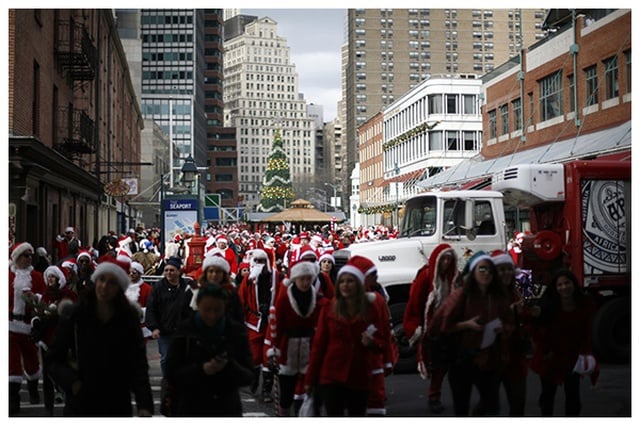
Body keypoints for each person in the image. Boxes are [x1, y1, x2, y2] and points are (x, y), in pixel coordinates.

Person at [45, 259, 154, 416]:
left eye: (112, 283)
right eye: (102, 280)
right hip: (81, 400)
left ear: (119, 288)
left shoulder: (128, 318)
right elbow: (53, 359)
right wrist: (72, 381)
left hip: (116, 401)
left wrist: (144, 404)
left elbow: (138, 363)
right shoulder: (75, 314)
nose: (104, 287)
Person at [431, 251, 514, 416]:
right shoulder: (460, 295)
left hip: (488, 358)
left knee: (491, 405)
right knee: (462, 406)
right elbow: (442, 326)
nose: (486, 274)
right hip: (462, 359)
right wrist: (466, 325)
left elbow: (509, 322)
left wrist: (502, 329)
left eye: (490, 270)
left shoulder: (498, 296)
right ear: (474, 271)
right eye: (482, 269)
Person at [304, 263, 389, 416]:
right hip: (331, 375)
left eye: (350, 281)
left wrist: (373, 343)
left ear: (358, 283)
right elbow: (319, 345)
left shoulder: (370, 308)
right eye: (342, 281)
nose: (345, 285)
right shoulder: (329, 309)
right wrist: (310, 379)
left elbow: (383, 341)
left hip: (359, 376)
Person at [165, 284, 255, 416]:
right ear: (198, 306)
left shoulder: (235, 331)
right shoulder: (185, 331)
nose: (212, 316)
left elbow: (248, 375)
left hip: (226, 407)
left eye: (217, 310)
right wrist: (202, 370)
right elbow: (172, 373)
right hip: (191, 406)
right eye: (207, 310)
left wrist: (228, 366)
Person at [528, 269, 597, 416]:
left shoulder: (585, 304)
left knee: (573, 397)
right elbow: (534, 329)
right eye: (560, 285)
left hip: (572, 356)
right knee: (547, 396)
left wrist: (586, 352)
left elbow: (586, 331)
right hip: (550, 357)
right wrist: (545, 350)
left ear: (574, 284)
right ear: (555, 288)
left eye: (567, 283)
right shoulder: (547, 306)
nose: (564, 287)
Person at [266, 261, 328, 416]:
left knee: (310, 390)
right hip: (288, 351)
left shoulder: (318, 300)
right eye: (302, 279)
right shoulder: (285, 299)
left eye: (308, 279)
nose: (306, 282)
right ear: (295, 279)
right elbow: (276, 327)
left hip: (310, 349)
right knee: (286, 393)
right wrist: (273, 351)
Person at [403, 243, 458, 414]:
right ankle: (434, 397)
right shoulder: (426, 277)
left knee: (451, 365)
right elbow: (414, 304)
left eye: (450, 259)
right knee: (436, 364)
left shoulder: (454, 278)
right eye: (444, 258)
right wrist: (415, 328)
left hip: (449, 328)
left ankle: (454, 396)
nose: (447, 262)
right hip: (432, 329)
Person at [30, 265, 78, 415]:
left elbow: (74, 315)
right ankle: (48, 408)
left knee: (64, 375)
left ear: (59, 279)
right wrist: (37, 321)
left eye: (53, 277)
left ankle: (69, 405)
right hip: (46, 341)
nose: (50, 279)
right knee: (47, 375)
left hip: (62, 341)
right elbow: (38, 312)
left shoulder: (68, 295)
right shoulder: (45, 295)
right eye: (49, 277)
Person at [237, 249, 283, 403]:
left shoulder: (277, 277)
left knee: (268, 355)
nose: (260, 265)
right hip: (253, 322)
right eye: (256, 261)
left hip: (272, 322)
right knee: (254, 355)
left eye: (262, 261)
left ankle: (266, 390)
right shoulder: (249, 279)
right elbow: (241, 301)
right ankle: (253, 382)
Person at [9, 242, 47, 416]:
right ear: (17, 257)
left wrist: (35, 298)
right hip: (9, 325)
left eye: (31, 255)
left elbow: (44, 299)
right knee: (12, 363)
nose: (30, 258)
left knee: (32, 362)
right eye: (26, 255)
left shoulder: (37, 277)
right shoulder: (7, 276)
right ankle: (12, 399)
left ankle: (32, 387)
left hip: (29, 325)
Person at [126, 261, 153, 339]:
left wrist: (139, 312)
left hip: (140, 324)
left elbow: (150, 306)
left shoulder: (147, 288)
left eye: (134, 272)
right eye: (129, 272)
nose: (131, 274)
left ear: (140, 274)